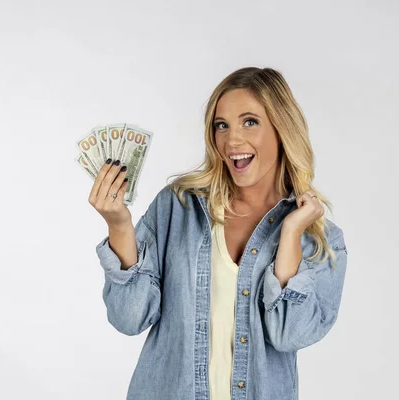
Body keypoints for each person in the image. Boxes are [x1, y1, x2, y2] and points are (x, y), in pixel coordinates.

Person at [89, 67, 348, 400]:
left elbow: (289, 334)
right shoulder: (179, 206)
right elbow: (129, 318)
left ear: (281, 129)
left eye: (249, 122)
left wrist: (291, 232)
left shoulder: (321, 241)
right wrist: (119, 225)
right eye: (221, 125)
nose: (231, 140)